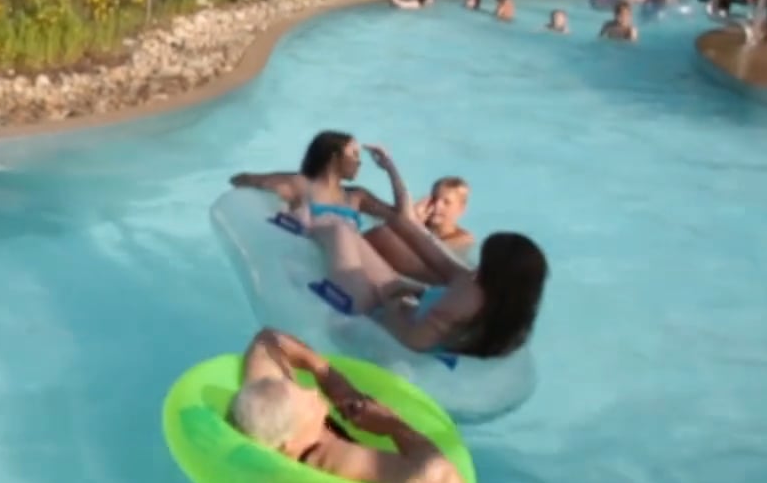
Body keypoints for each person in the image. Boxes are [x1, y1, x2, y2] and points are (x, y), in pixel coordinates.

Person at [295, 145, 548, 360]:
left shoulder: (465, 301)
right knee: (350, 232)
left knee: (339, 231)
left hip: (372, 319)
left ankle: (298, 225)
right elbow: (414, 232)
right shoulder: (487, 295)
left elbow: (413, 341)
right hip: (403, 305)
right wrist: (391, 168)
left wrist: (393, 308)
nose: (478, 265)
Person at [227, 327, 466, 483]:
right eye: (306, 396)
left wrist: (332, 380)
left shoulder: (267, 414)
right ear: (290, 442)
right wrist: (391, 425)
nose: (312, 390)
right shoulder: (336, 458)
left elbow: (267, 340)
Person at [230, 131, 396, 231]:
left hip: (354, 260)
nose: (359, 162)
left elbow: (400, 217)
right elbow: (239, 179)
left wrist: (389, 167)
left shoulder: (357, 196)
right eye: (354, 154)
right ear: (334, 157)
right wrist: (275, 199)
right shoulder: (299, 184)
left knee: (387, 234)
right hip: (321, 263)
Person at [363, 176, 475, 285]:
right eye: (434, 199)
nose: (437, 206)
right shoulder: (423, 223)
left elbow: (438, 256)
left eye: (446, 202)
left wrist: (414, 226)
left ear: (461, 209)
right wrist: (412, 219)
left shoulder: (462, 238)